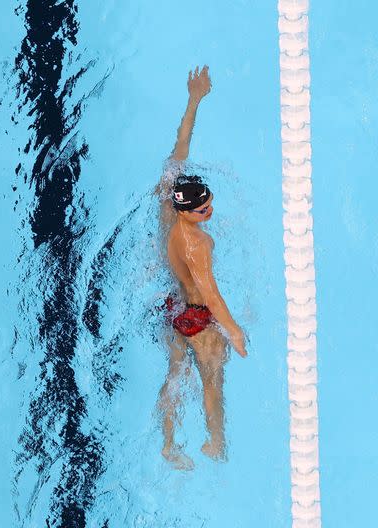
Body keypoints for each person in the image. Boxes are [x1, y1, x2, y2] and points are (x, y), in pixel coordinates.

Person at [156, 65, 248, 469]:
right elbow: (210, 294)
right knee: (213, 380)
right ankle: (215, 442)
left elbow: (180, 146)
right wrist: (234, 330)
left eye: (211, 202)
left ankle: (169, 443)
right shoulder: (196, 246)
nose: (211, 211)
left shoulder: (167, 199)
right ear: (188, 210)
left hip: (173, 307)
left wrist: (194, 100)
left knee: (175, 378)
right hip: (196, 315)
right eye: (204, 209)